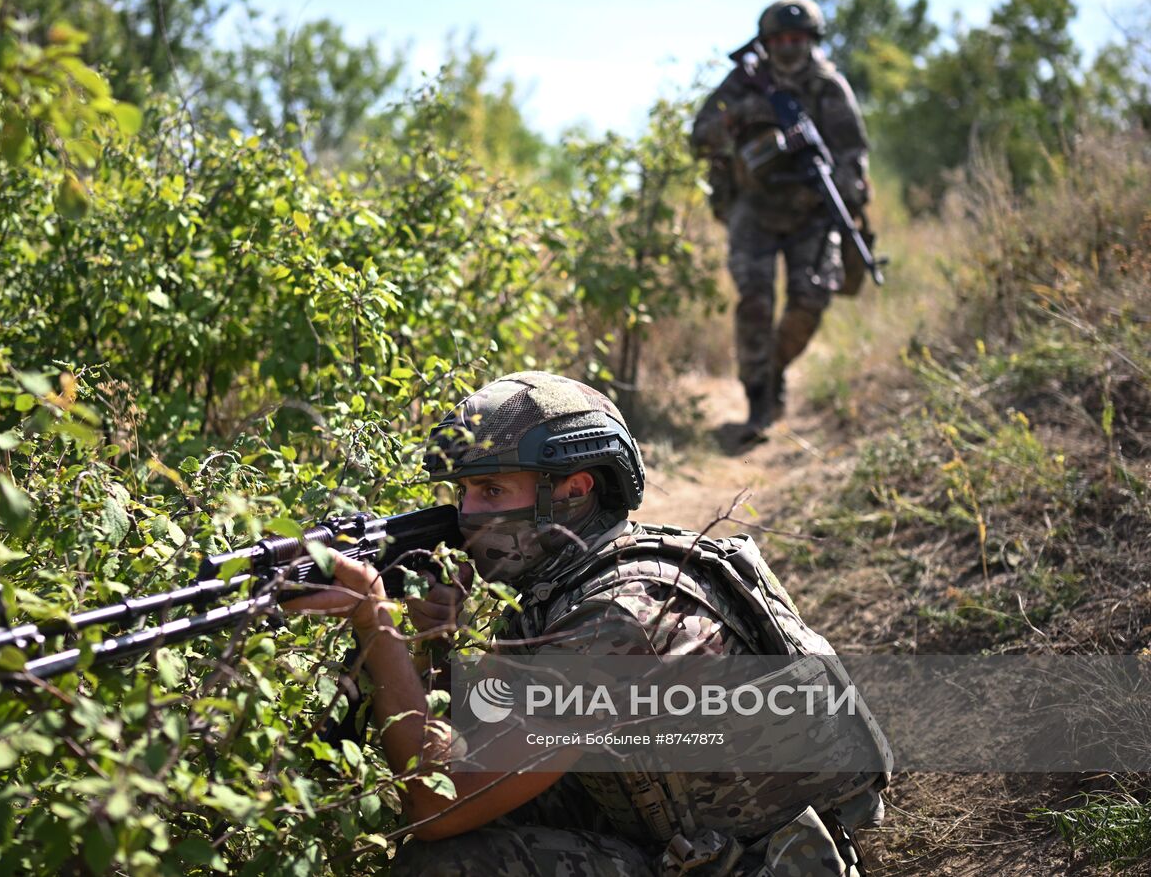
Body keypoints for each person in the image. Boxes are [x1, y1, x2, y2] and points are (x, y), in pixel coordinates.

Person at [284, 371, 887, 875]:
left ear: (573, 489)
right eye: (465, 492)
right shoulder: (568, 583)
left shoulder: (618, 618)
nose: (467, 516)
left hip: (751, 865)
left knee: (443, 866)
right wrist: (432, 644)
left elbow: (435, 802)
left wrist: (375, 623)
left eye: (492, 489)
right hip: (675, 830)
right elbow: (477, 746)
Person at [691, 0, 872, 436]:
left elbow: (853, 152)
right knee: (754, 301)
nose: (790, 47)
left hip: (811, 211)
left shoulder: (829, 87)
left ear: (811, 41)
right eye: (780, 40)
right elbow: (699, 137)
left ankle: (772, 372)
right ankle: (758, 402)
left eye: (798, 39)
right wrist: (746, 115)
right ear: (766, 44)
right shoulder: (743, 82)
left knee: (811, 300)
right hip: (752, 208)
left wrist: (848, 193)